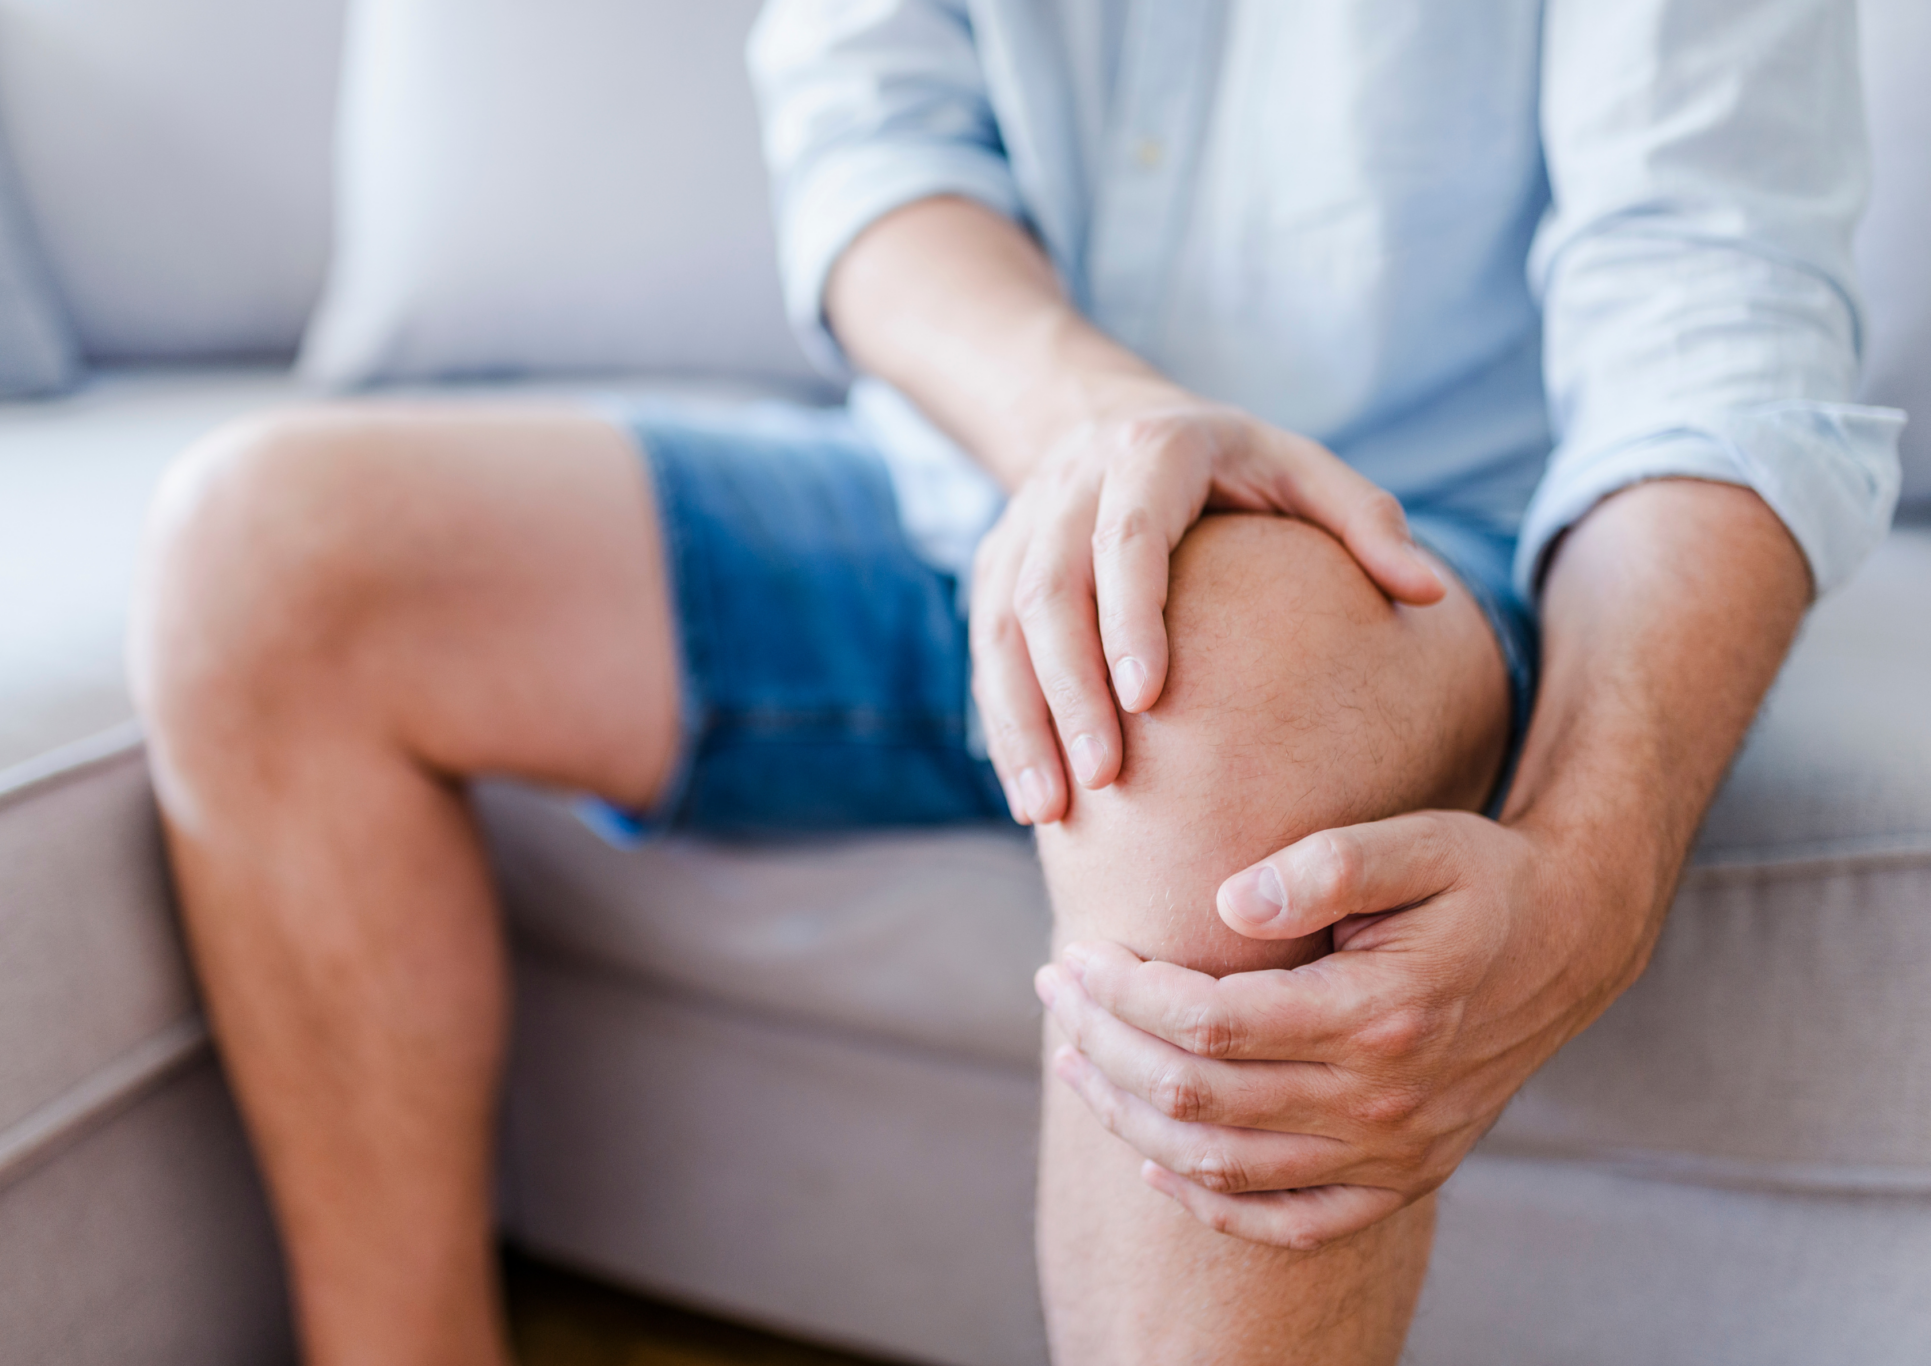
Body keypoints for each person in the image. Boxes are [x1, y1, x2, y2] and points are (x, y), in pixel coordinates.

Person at [128, 0, 1902, 1362]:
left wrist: (1597, 868)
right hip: (973, 477)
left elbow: (1715, 325)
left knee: (1211, 666)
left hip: (1405, 566)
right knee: (262, 561)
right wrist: (1101, 435)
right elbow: (873, 147)